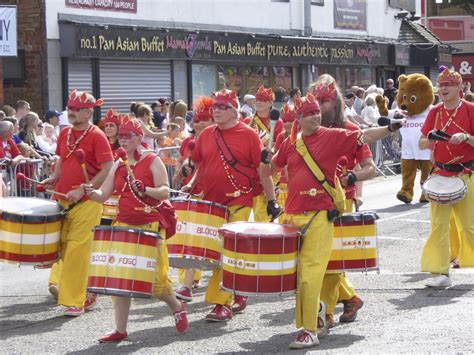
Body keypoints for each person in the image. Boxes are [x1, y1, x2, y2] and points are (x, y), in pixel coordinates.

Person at [261, 90, 403, 349]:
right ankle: (317, 313)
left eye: (317, 111)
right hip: (291, 215)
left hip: (319, 215)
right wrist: (263, 162)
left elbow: (366, 135)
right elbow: (270, 170)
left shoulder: (333, 136)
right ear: (299, 120)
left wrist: (390, 128)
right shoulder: (289, 143)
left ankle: (309, 330)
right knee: (297, 276)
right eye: (309, 113)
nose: (315, 116)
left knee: (311, 273)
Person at [84, 116, 188, 342]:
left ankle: (176, 305)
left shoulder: (152, 160)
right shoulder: (119, 164)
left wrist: (147, 189)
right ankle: (120, 330)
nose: (122, 140)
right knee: (120, 279)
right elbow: (104, 194)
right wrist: (91, 192)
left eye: (127, 136)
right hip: (123, 224)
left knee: (155, 281)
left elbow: (165, 192)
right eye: (120, 136)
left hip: (150, 224)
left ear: (139, 137)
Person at [182, 89, 267, 321]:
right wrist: (191, 184)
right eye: (214, 107)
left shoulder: (249, 135)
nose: (216, 111)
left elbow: (261, 168)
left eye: (222, 107)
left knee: (227, 250)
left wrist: (268, 198)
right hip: (212, 201)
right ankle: (238, 290)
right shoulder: (207, 134)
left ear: (234, 111)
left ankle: (222, 303)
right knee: (216, 251)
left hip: (240, 199)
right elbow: (201, 164)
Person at [310, 75, 376, 329]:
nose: (319, 106)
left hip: (338, 204)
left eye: (324, 101)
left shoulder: (351, 131)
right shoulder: (303, 129)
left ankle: (324, 313)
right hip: (305, 205)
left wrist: (352, 179)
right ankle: (350, 297)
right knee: (312, 262)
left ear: (335, 103)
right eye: (315, 101)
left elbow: (370, 168)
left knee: (331, 262)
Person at [41, 90, 114, 316]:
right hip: (62, 199)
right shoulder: (65, 134)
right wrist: (54, 178)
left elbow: (107, 166)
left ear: (88, 111)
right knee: (60, 247)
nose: (71, 112)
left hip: (87, 202)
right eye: (69, 108)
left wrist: (84, 188)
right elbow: (63, 159)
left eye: (76, 109)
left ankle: (75, 300)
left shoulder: (97, 135)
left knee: (77, 251)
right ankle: (88, 288)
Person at [418, 67, 474, 288]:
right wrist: (431, 138)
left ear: (460, 87)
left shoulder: (470, 110)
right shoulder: (435, 112)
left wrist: (467, 137)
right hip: (440, 174)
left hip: (466, 174)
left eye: (448, 85)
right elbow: (421, 142)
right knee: (438, 226)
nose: (443, 89)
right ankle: (441, 272)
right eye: (441, 85)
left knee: (468, 226)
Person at [174, 96, 214, 302]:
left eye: (204, 119)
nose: (199, 123)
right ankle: (188, 284)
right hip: (197, 193)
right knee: (193, 237)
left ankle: (233, 287)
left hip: (220, 195)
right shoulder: (192, 142)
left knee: (217, 243)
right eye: (197, 120)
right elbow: (198, 167)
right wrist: (188, 181)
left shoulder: (217, 139)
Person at [246, 85, 281, 223]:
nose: (259, 102)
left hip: (268, 169)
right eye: (258, 99)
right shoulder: (248, 122)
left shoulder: (278, 124)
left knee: (262, 213)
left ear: (271, 103)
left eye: (263, 100)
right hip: (251, 171)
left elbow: (280, 148)